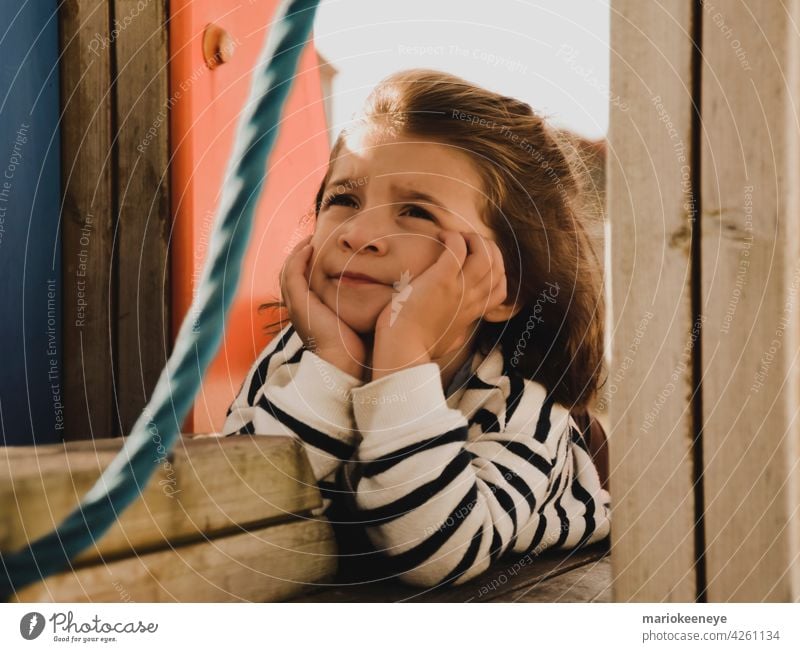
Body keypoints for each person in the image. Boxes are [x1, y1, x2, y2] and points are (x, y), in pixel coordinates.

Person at [222, 68, 610, 589]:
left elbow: (433, 552)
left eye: (415, 212)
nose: (359, 234)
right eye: (343, 201)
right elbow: (234, 508)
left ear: (505, 285)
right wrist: (333, 364)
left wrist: (401, 358)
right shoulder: (298, 359)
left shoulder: (523, 410)